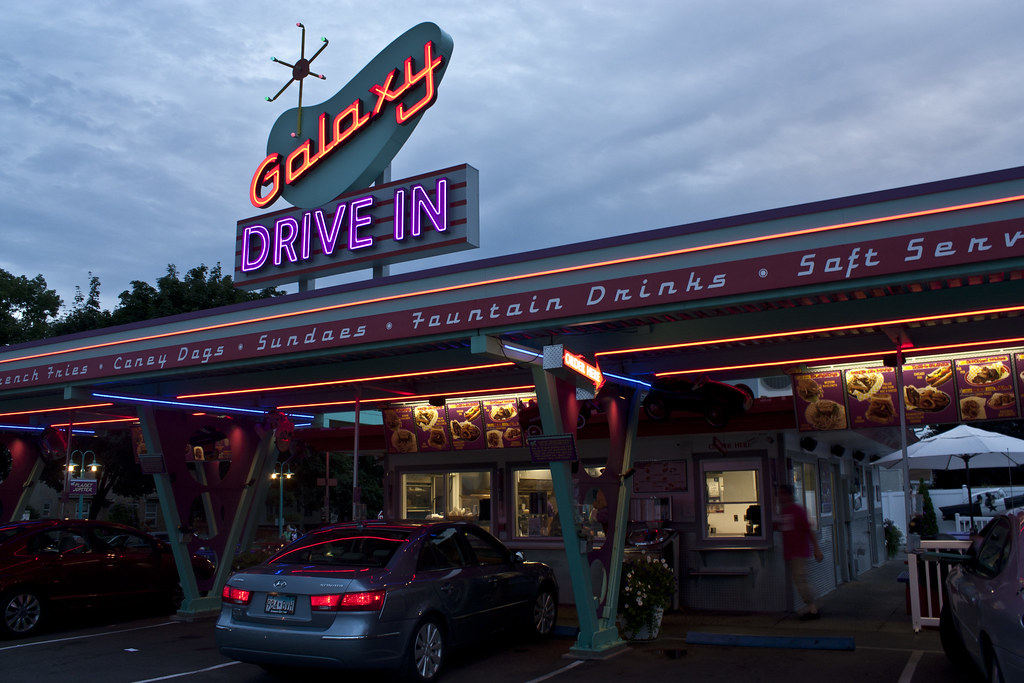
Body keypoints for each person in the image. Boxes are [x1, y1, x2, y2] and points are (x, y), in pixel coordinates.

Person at [777, 484, 824, 620]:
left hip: (799, 552)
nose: (779, 497)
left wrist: (816, 548)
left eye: (781, 494)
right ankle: (812, 606)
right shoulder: (783, 512)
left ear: (788, 495)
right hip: (791, 553)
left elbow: (809, 530)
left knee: (801, 580)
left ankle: (812, 608)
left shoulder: (798, 511)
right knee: (800, 581)